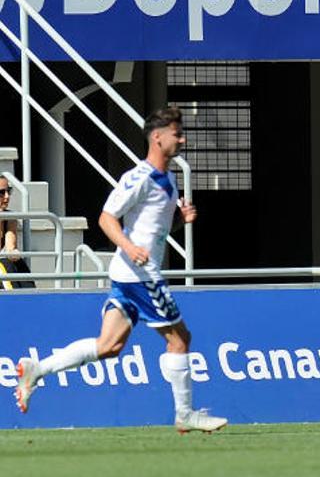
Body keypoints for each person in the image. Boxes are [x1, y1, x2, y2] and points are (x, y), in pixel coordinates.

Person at [14, 107, 227, 433]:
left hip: (127, 275)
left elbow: (154, 230)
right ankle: (185, 414)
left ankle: (37, 370)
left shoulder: (167, 179)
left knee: (109, 346)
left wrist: (179, 222)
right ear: (157, 137)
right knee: (180, 340)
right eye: (177, 133)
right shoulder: (138, 178)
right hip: (141, 276)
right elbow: (106, 218)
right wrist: (129, 248)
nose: (182, 139)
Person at [0, 175, 34, 290]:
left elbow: (11, 246)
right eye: (1, 193)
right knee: (5, 265)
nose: (7, 197)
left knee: (17, 263)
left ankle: (32, 299)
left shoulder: (10, 217)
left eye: (8, 191)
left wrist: (12, 253)